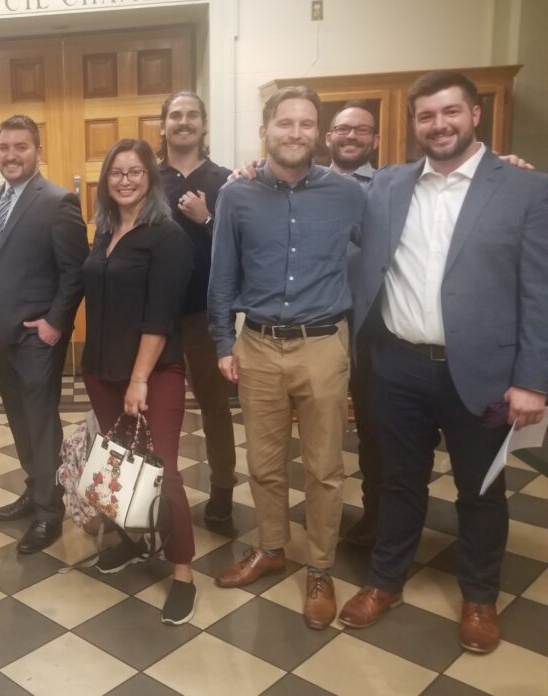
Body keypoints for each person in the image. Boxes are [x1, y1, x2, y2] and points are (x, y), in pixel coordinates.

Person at [338, 71, 548, 654]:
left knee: (479, 490)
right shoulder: (386, 185)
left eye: (450, 112)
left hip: (482, 376)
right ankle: (385, 581)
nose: (439, 125)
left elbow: (540, 290)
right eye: (426, 116)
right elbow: (329, 208)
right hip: (396, 367)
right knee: (398, 483)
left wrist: (533, 380)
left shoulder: (526, 189)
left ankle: (479, 597)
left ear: (475, 115)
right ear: (413, 124)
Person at [208, 87, 364, 630]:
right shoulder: (238, 194)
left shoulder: (347, 194)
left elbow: (389, 244)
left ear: (317, 134)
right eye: (285, 123)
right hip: (258, 345)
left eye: (305, 124)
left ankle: (320, 567)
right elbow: (222, 274)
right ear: (265, 131)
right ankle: (271, 547)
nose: (295, 133)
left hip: (323, 345)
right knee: (265, 463)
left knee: (324, 468)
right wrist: (223, 344)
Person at [82, 138, 195, 624]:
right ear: (105, 182)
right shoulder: (105, 230)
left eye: (134, 172)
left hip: (153, 374)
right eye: (115, 173)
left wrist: (139, 380)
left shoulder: (167, 236)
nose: (124, 180)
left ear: (150, 179)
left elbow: (160, 316)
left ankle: (183, 575)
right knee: (121, 465)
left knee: (163, 471)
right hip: (101, 372)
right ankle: (132, 542)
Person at [0, 115, 88, 553]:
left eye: (21, 146)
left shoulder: (58, 202)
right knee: (18, 418)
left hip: (39, 337)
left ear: (38, 151)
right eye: (4, 147)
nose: (11, 154)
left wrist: (56, 323)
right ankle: (35, 487)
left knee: (40, 421)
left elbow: (76, 272)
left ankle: (50, 511)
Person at [158, 90, 238, 523]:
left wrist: (206, 220)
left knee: (214, 406)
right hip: (158, 319)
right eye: (175, 115)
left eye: (191, 115)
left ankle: (222, 489)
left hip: (207, 316)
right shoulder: (149, 179)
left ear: (204, 125)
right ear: (164, 125)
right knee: (153, 408)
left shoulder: (227, 182)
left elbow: (238, 250)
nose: (183, 122)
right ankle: (153, 492)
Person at [326, 102, 382, 548]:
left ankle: (377, 513)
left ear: (374, 140)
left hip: (370, 325)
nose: (350, 136)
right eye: (342, 129)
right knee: (317, 425)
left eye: (361, 130)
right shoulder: (307, 185)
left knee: (372, 423)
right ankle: (320, 512)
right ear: (328, 137)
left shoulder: (392, 186)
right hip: (318, 322)